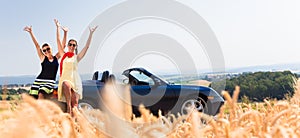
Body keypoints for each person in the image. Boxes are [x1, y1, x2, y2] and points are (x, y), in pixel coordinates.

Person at [56, 19, 98, 115]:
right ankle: (68, 107)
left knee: (75, 105)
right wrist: (58, 28)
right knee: (66, 85)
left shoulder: (77, 57)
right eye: (70, 44)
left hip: (75, 80)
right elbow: (58, 41)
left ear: (75, 47)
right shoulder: (63, 55)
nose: (71, 46)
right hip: (66, 78)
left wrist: (91, 33)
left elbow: (86, 47)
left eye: (73, 45)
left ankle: (76, 124)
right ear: (67, 46)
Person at [24, 24, 68, 99]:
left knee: (41, 93)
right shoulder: (43, 58)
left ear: (51, 49)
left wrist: (64, 32)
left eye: (48, 49)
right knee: (34, 98)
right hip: (39, 81)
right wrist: (31, 33)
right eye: (44, 50)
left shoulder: (56, 57)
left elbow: (63, 46)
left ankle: (41, 110)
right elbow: (37, 46)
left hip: (50, 82)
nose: (46, 51)